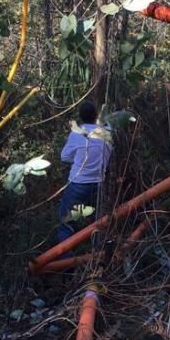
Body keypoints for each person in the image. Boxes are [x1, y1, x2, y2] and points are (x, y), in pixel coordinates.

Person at [59, 101, 112, 246]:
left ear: (80, 118)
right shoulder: (106, 132)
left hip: (78, 184)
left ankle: (66, 261)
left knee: (67, 223)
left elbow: (64, 157)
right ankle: (98, 258)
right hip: (99, 184)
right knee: (98, 223)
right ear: (96, 116)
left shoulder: (77, 134)